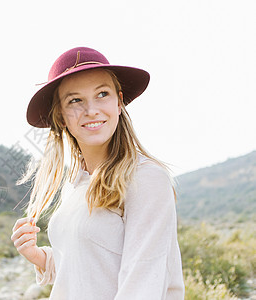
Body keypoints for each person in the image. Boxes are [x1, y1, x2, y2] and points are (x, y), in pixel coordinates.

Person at [10, 47, 184, 299]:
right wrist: (40, 257)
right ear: (60, 116)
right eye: (75, 100)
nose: (91, 110)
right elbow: (90, 273)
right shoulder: (75, 184)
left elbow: (143, 284)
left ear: (118, 100)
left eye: (102, 94)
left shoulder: (145, 179)